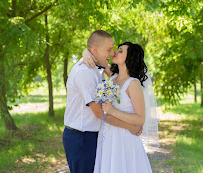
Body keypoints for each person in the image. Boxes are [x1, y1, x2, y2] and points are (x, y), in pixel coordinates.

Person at [62, 31, 142, 173]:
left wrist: (86, 52)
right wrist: (130, 126)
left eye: (115, 50)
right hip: (82, 137)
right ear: (95, 50)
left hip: (98, 137)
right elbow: (99, 112)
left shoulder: (102, 71)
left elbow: (119, 79)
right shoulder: (84, 72)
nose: (112, 53)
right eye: (109, 49)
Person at [84, 42, 156, 173]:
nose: (115, 52)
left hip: (124, 139)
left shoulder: (133, 84)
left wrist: (113, 111)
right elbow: (95, 54)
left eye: (121, 51)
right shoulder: (113, 77)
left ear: (130, 57)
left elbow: (140, 119)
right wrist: (85, 52)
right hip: (107, 138)